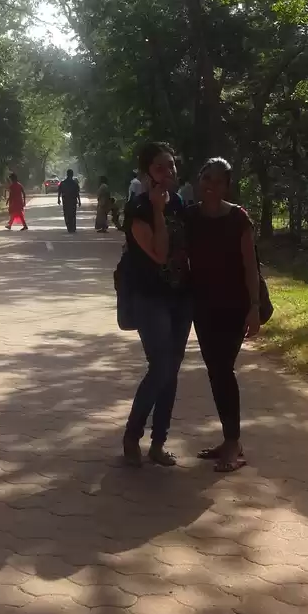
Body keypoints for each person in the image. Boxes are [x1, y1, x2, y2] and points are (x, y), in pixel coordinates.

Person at [185, 157, 262, 473]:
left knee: (222, 369)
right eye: (206, 178)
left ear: (227, 186)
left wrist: (255, 307)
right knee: (216, 372)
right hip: (202, 306)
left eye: (218, 180)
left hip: (234, 306)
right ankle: (230, 441)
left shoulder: (238, 219)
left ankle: (234, 444)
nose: (210, 185)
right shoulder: (189, 217)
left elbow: (250, 267)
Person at [121, 141, 192, 467]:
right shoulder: (137, 209)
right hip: (149, 298)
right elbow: (160, 254)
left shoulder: (179, 203)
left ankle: (158, 442)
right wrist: (158, 212)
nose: (168, 172)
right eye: (160, 167)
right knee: (160, 367)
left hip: (180, 298)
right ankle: (133, 434)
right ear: (146, 173)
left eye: (171, 166)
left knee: (172, 371)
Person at [57, 168, 81, 233]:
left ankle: (69, 227)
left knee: (66, 214)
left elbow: (59, 191)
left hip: (66, 201)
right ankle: (73, 227)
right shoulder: (75, 183)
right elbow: (77, 193)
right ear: (72, 175)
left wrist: (58, 199)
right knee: (73, 214)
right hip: (73, 201)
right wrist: (79, 201)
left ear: (67, 174)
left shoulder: (63, 183)